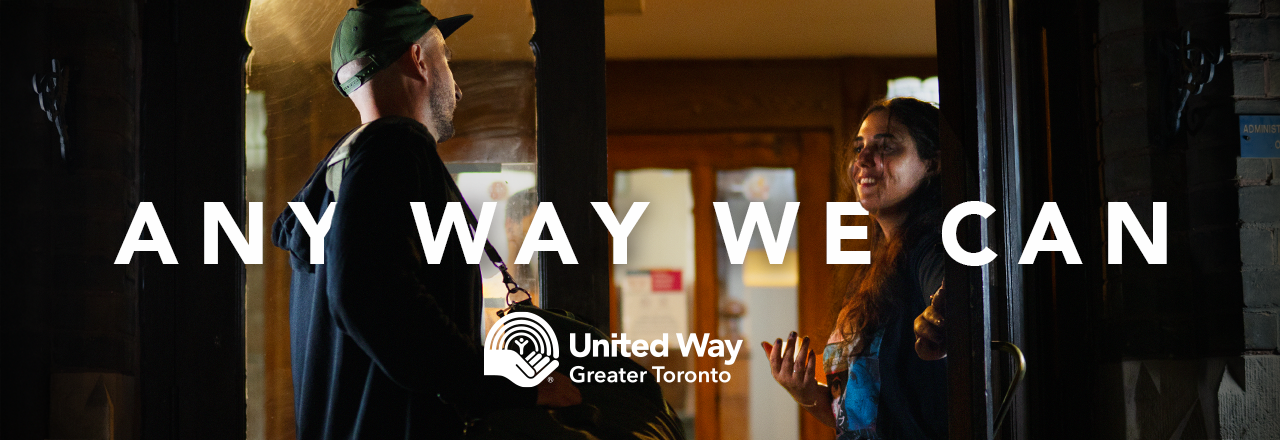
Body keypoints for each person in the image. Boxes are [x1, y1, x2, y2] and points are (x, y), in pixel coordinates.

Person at [271, 1, 578, 439]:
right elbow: (370, 293)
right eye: (446, 60)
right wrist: (500, 384)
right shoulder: (395, 147)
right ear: (418, 59)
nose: (457, 88)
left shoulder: (336, 176)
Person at [761, 97, 947, 439]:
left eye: (886, 146)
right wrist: (807, 394)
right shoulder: (876, 266)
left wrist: (945, 314)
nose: (862, 159)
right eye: (859, 147)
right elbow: (863, 416)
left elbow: (956, 298)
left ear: (932, 164)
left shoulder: (932, 245)